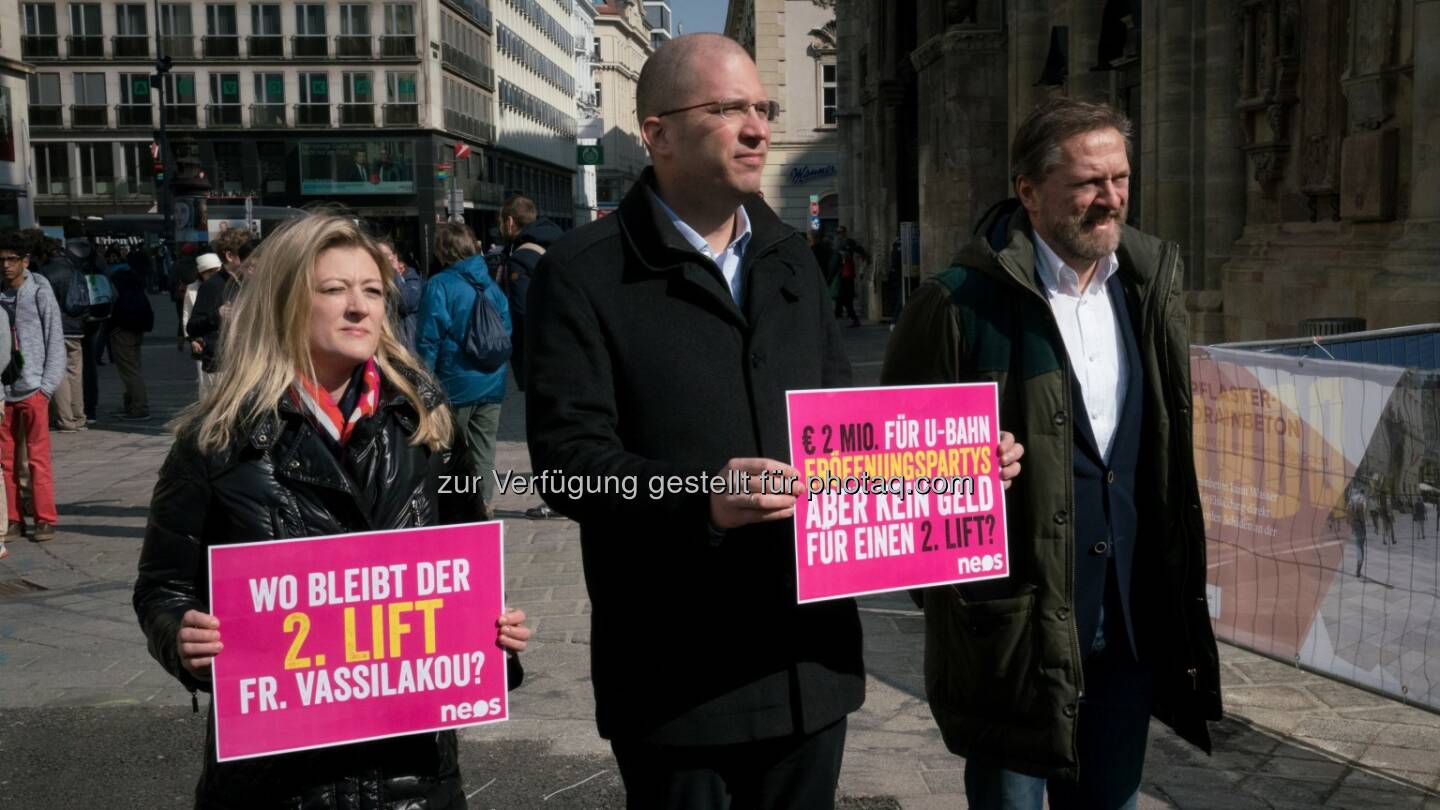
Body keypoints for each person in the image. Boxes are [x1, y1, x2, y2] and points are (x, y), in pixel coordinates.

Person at [524, 34, 1018, 810]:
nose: (757, 127)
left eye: (763, 107)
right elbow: (567, 463)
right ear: (655, 133)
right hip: (678, 683)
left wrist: (950, 470)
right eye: (727, 109)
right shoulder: (582, 273)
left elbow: (843, 440)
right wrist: (701, 497)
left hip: (807, 668)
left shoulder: (792, 257)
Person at [881, 97, 1221, 809]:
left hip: (1129, 612)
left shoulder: (1148, 287)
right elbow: (888, 479)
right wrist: (956, 477)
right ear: (1029, 193)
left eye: (1120, 178)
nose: (1110, 199)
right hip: (1015, 631)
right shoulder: (957, 304)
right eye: (1088, 183)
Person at [133, 214, 531, 808]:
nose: (359, 308)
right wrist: (181, 639)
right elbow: (162, 588)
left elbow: (466, 572)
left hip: (411, 781)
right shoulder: (217, 440)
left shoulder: (427, 427)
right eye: (334, 290)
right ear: (287, 300)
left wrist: (495, 637)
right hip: (276, 784)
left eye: (372, 291)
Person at [415, 222, 510, 522]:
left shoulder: (440, 285)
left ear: (444, 251)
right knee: (484, 447)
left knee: (445, 449)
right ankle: (483, 503)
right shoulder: (492, 286)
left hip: (453, 384)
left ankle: (452, 507)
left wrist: (422, 382)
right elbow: (505, 332)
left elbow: (429, 339)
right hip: (492, 382)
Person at [0, 230, 66, 543]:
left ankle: (44, 519)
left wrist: (46, 386)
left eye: (12, 259)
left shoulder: (39, 291)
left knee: (38, 459)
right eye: (1, 260)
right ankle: (12, 518)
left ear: (25, 261)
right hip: (3, 393)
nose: (6, 266)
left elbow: (55, 340)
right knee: (5, 461)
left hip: (34, 388)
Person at [38, 219, 106, 432]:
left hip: (58, 327)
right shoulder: (80, 262)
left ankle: (65, 419)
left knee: (59, 373)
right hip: (80, 323)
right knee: (78, 371)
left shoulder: (47, 272)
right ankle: (81, 415)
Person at [107, 256, 154, 420]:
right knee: (132, 369)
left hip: (122, 332)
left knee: (130, 372)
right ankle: (131, 404)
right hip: (136, 332)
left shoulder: (120, 290)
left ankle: (139, 407)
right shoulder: (136, 288)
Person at [378, 240, 424, 352]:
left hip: (404, 347)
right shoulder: (374, 279)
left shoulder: (409, 276)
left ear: (394, 257)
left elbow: (406, 302)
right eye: (377, 256)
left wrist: (393, 273)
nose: (381, 260)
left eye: (385, 255)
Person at [830, 225, 867, 327]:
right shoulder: (836, 244)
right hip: (842, 275)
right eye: (837, 232)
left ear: (845, 232)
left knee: (846, 298)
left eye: (841, 232)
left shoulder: (847, 243)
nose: (839, 234)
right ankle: (840, 313)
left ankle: (852, 317)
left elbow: (858, 249)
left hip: (846, 274)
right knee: (841, 297)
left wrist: (864, 255)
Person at [1348, 487, 1369, 577]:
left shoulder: (1352, 498)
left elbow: (1347, 509)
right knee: (1360, 546)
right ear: (1363, 492)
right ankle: (1359, 568)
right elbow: (1364, 509)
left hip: (1354, 523)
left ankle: (1358, 566)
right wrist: (1365, 520)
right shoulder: (1363, 498)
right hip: (1361, 524)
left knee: (1358, 544)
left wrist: (1349, 522)